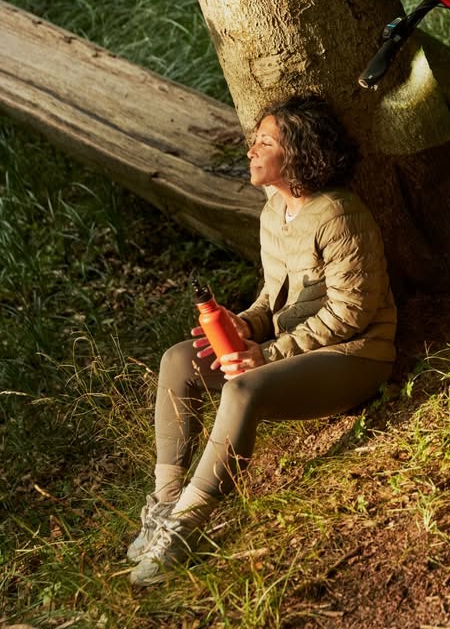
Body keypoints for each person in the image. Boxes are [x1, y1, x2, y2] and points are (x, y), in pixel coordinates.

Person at [127, 94, 396, 586]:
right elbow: (275, 295)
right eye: (254, 140)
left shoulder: (340, 214)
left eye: (264, 142)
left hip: (355, 357)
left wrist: (265, 354)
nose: (251, 150)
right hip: (289, 351)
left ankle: (187, 526)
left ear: (295, 155)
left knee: (242, 388)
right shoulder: (274, 211)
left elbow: (352, 312)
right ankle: (165, 502)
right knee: (179, 360)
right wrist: (245, 325)